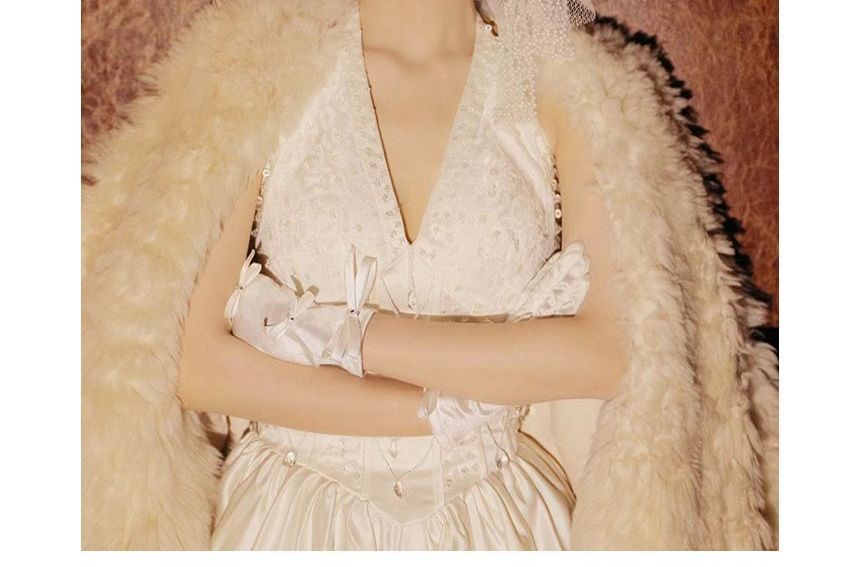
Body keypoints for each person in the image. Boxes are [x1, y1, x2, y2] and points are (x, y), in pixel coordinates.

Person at [82, 0, 779, 551]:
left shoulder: (573, 88)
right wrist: (436, 409)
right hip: (287, 520)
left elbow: (609, 349)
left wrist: (340, 335)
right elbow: (192, 361)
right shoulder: (251, 74)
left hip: (504, 521)